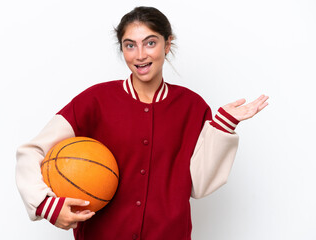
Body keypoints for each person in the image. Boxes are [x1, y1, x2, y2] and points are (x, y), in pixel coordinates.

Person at [16, 6, 268, 240]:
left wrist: (223, 125)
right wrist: (45, 204)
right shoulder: (95, 100)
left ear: (168, 44)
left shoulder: (192, 106)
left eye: (150, 43)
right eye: (130, 45)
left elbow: (199, 185)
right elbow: (32, 151)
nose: (140, 55)